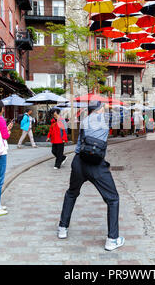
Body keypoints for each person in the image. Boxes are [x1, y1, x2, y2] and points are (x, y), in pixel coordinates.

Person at [58, 101, 124, 251]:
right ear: (100, 109)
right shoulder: (105, 118)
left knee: (71, 193)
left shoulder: (85, 120)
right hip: (96, 165)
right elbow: (122, 115)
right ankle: (112, 239)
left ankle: (63, 228)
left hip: (79, 161)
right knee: (113, 199)